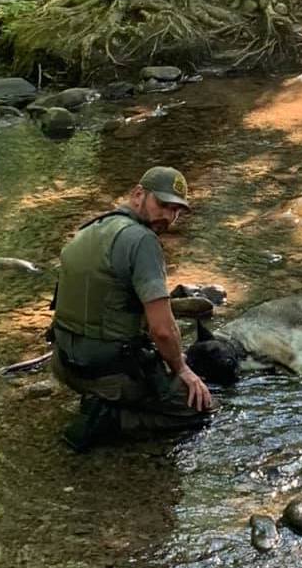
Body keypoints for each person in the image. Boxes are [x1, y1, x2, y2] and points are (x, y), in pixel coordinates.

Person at [50, 166, 215, 451]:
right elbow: (162, 330)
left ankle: (102, 399)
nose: (168, 216)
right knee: (201, 408)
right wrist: (182, 369)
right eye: (162, 204)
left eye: (176, 210)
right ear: (138, 194)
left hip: (65, 364)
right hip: (108, 372)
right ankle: (111, 417)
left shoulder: (90, 229)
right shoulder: (142, 240)